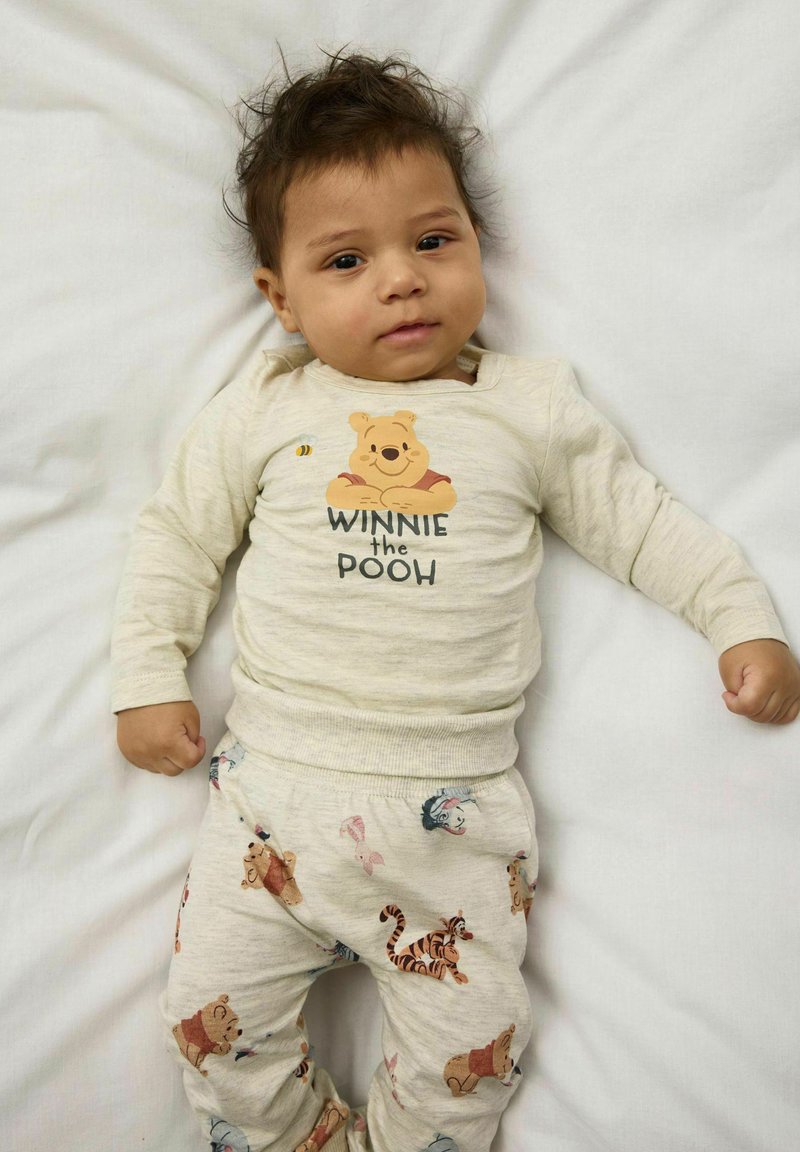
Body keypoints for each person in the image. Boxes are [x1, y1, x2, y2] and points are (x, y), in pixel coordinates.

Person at [112, 51, 800, 1152]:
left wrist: (740, 616)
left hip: (457, 819)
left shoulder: (528, 410)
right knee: (211, 1029)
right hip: (271, 804)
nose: (401, 280)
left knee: (470, 1059)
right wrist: (147, 676)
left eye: (433, 241)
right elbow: (177, 539)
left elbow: (641, 523)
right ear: (280, 299)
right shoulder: (266, 408)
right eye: (347, 260)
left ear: (476, 243)